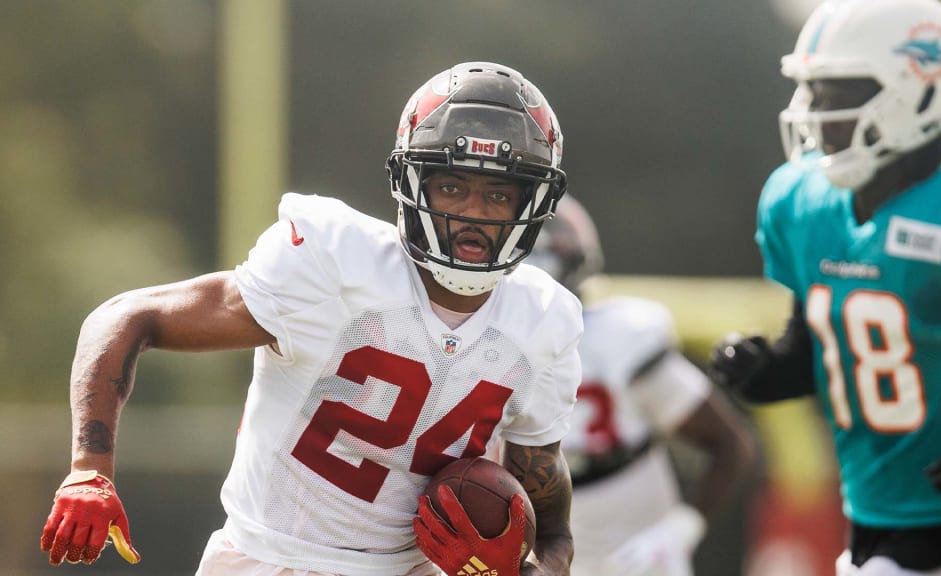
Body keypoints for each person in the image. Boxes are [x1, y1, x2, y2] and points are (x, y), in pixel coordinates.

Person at [40, 61, 584, 576]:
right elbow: (127, 316)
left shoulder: (543, 321)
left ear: (532, 203)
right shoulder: (332, 259)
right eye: (451, 187)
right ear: (413, 184)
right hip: (268, 560)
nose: (471, 214)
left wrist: (537, 570)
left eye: (497, 194)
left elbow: (553, 527)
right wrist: (90, 469)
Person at [708, 0, 941, 574]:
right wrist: (764, 371)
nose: (813, 114)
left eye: (837, 94)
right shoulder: (800, 204)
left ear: (918, 92)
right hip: (880, 521)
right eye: (810, 92)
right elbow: (815, 349)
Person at [524, 195, 757, 576]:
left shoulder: (621, 339)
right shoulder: (478, 350)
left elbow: (731, 443)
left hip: (636, 556)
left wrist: (679, 531)